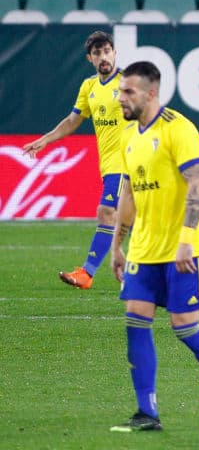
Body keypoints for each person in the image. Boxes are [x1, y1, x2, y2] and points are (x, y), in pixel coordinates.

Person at [108, 61, 199, 432]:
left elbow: (197, 184)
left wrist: (186, 241)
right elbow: (127, 192)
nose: (121, 97)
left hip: (183, 251)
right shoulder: (129, 135)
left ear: (150, 93)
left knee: (184, 327)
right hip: (143, 250)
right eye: (121, 90)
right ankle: (147, 413)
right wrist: (117, 245)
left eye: (128, 91)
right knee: (135, 322)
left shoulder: (178, 129)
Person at [23, 31, 126, 290]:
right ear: (89, 58)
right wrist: (46, 139)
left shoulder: (128, 82)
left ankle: (87, 272)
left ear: (115, 52)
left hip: (128, 164)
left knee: (107, 214)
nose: (103, 57)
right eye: (97, 53)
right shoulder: (89, 87)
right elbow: (72, 121)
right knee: (134, 223)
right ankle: (156, 280)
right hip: (110, 166)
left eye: (107, 51)